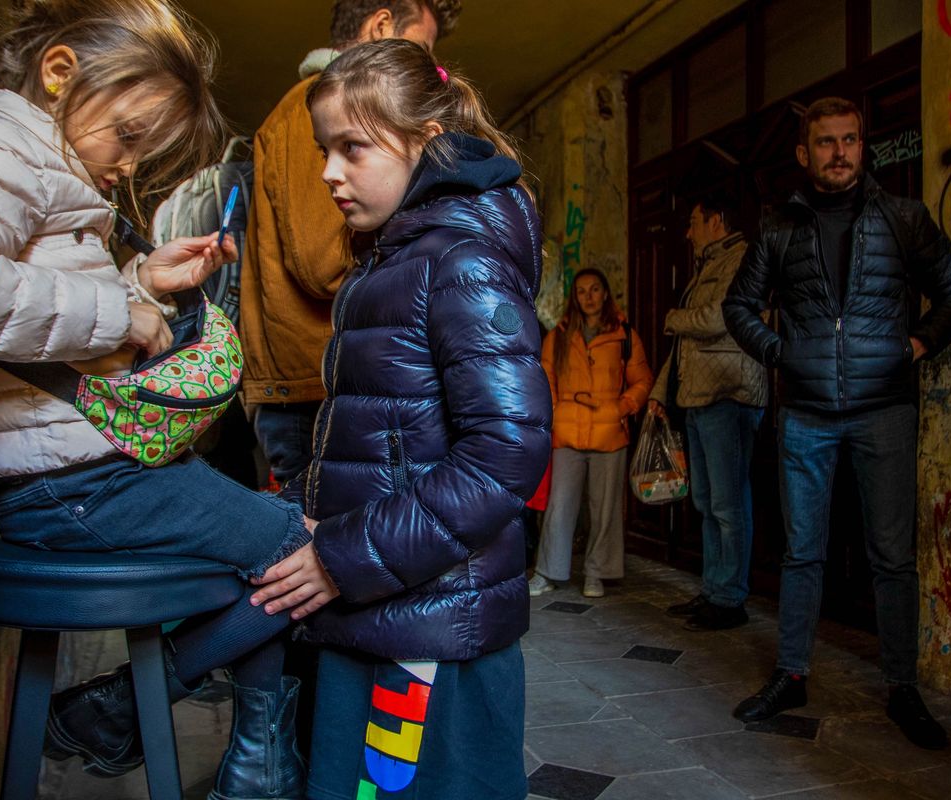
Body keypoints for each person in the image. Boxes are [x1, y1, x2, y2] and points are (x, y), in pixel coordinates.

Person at [0, 3, 314, 797]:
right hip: (70, 488)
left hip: (90, 473)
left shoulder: (36, 159)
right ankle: (238, 758)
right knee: (300, 547)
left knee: (292, 544)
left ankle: (128, 713)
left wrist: (143, 282)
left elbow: (35, 313)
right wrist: (121, 313)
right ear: (61, 73)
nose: (129, 166)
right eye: (130, 139)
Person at [245, 40, 551, 800]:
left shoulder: (460, 261)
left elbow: (505, 454)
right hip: (382, 609)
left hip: (428, 636)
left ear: (425, 140)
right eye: (325, 149)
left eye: (353, 147)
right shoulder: (391, 259)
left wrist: (341, 558)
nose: (328, 172)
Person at [722, 96, 951, 750]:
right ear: (805, 154)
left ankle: (902, 686)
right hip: (806, 413)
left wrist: (914, 346)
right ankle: (792, 671)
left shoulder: (903, 219)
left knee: (892, 556)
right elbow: (739, 306)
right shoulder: (779, 227)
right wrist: (784, 354)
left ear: (864, 146)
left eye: (850, 140)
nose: (840, 153)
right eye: (826, 143)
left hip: (884, 408)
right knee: (803, 552)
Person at [240, 0, 461, 486]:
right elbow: (320, 262)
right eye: (421, 47)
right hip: (311, 388)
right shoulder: (321, 105)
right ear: (381, 25)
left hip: (324, 383)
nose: (426, 69)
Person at [650, 194, 767, 631]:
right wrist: (661, 392)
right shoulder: (708, 265)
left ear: (716, 219)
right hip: (699, 396)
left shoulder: (743, 258)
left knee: (728, 502)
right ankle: (714, 590)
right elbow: (685, 351)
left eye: (694, 220)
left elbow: (720, 318)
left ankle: (730, 598)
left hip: (728, 395)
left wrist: (675, 316)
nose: (688, 231)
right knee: (707, 501)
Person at [529, 268, 653, 599]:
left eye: (595, 289)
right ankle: (548, 572)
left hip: (609, 432)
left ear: (606, 294)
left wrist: (622, 407)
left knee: (605, 509)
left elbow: (642, 381)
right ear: (575, 298)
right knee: (560, 506)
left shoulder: (624, 334)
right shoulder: (558, 336)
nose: (588, 297)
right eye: (582, 291)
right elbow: (545, 378)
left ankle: (597, 573)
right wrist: (555, 412)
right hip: (567, 433)